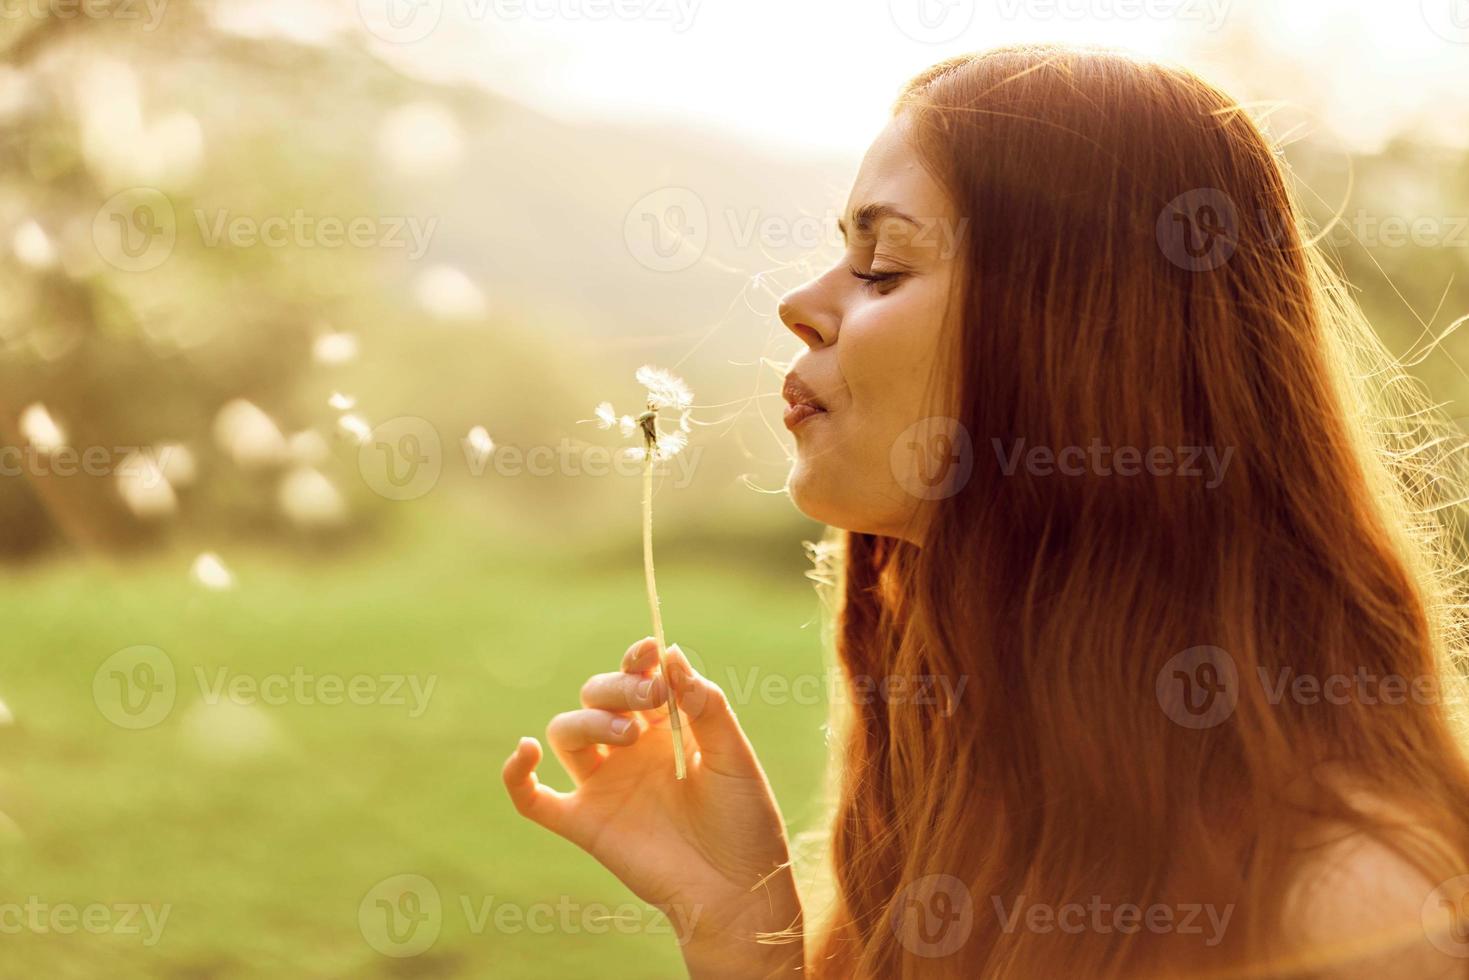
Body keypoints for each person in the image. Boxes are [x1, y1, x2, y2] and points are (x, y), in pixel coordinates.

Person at [503, 44, 1469, 978]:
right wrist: (738, 928)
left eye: (882, 265)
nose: (800, 303)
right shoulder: (968, 782)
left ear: (1081, 342)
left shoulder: (1357, 912)